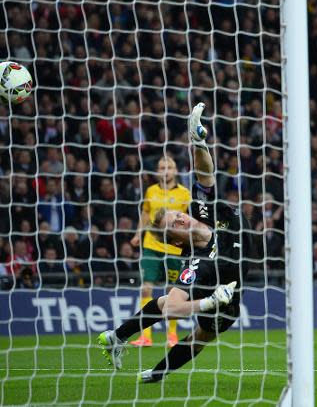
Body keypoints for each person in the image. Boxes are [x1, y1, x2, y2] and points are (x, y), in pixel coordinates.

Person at [97, 103, 253, 382]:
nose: (181, 219)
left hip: (243, 261)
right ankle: (156, 372)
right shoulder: (196, 263)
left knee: (185, 321)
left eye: (178, 215)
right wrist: (208, 302)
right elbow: (172, 308)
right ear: (173, 239)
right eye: (174, 224)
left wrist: (199, 144)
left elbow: (205, 173)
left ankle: (117, 336)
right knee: (201, 334)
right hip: (223, 293)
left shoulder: (203, 209)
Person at [128, 155, 191, 348]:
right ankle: (145, 336)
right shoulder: (151, 191)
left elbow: (189, 220)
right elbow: (146, 213)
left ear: (175, 171)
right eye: (161, 167)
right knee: (146, 287)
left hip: (174, 248)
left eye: (169, 167)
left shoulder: (184, 193)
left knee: (173, 291)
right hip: (151, 246)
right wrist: (138, 233)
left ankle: (171, 335)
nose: (165, 171)